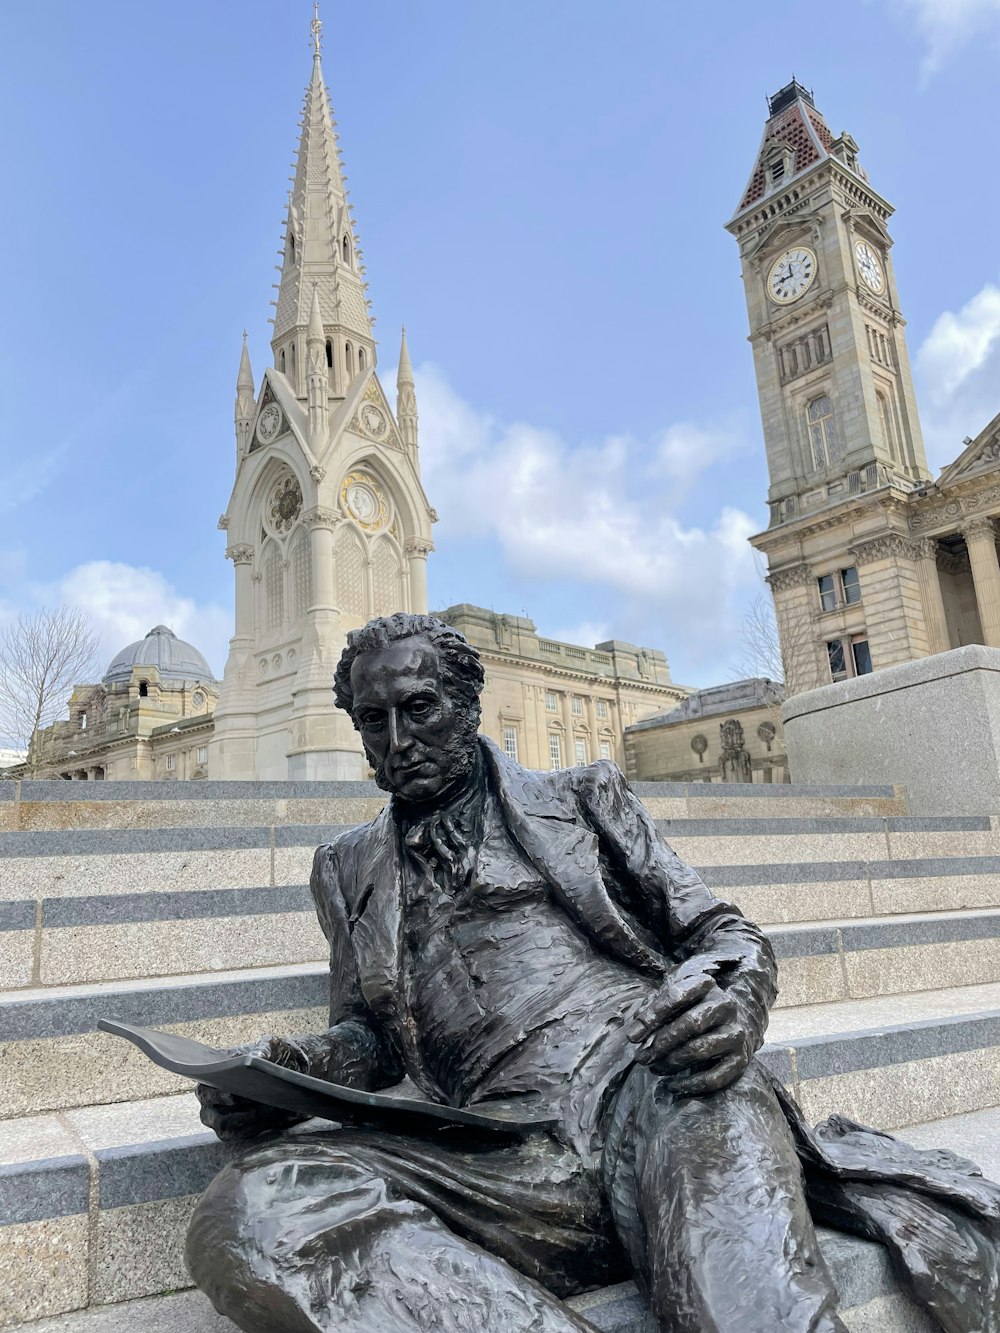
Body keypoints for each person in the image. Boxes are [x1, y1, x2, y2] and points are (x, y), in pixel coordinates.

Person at [188, 614, 1000, 1333]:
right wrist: (286, 1072)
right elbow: (369, 1034)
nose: (397, 741)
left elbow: (722, 931)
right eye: (373, 720)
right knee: (246, 1210)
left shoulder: (582, 798)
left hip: (651, 1083)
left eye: (418, 709)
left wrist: (734, 1002)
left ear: (468, 706)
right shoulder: (344, 867)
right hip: (497, 1154)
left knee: (741, 1277)